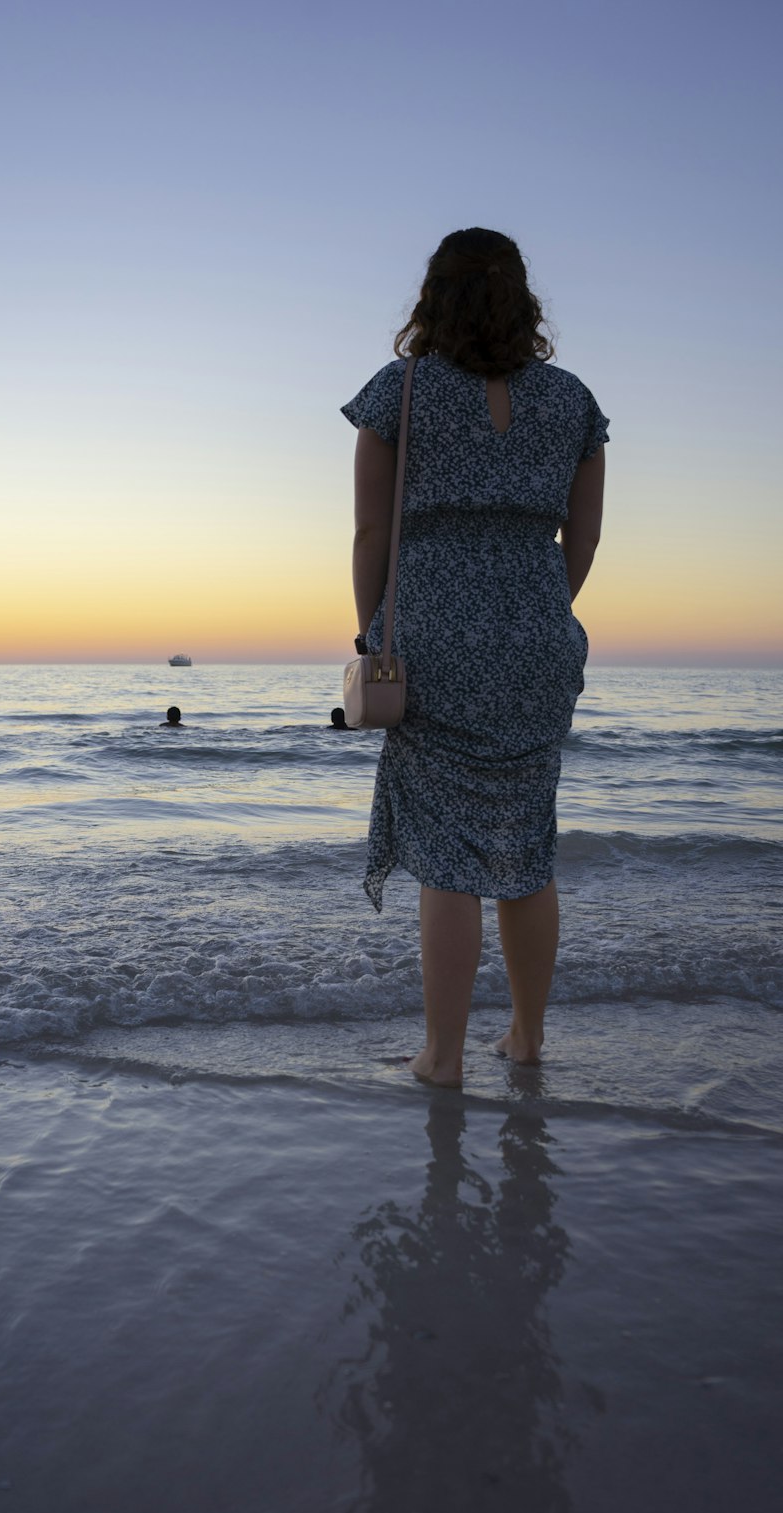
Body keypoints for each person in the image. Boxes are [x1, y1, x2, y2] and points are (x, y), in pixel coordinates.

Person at [341, 226, 608, 1087]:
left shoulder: (400, 391)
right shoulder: (572, 403)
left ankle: (443, 1057)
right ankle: (526, 1040)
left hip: (430, 634)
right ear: (522, 296)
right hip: (537, 637)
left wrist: (372, 631)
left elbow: (372, 531)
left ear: (435, 296)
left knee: (448, 861)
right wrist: (534, 615)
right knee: (527, 849)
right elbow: (586, 539)